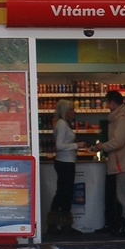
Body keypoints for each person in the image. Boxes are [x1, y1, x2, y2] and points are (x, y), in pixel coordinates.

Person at [88, 90, 125, 237]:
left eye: (107, 102)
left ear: (112, 102)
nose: (106, 105)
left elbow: (118, 142)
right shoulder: (122, 117)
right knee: (124, 196)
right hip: (124, 161)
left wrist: (102, 146)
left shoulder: (122, 119)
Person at [47, 99, 86, 234]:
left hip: (64, 162)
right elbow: (59, 145)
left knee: (62, 193)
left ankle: (55, 223)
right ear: (65, 111)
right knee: (65, 193)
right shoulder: (62, 124)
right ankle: (64, 225)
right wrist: (77, 145)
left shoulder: (62, 123)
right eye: (71, 109)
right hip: (65, 163)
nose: (74, 112)